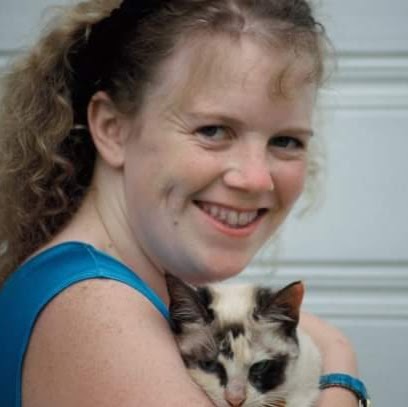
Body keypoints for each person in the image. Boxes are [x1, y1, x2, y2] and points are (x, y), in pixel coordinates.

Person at [0, 0, 368, 406]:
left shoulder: (137, 287)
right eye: (213, 130)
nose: (256, 178)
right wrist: (341, 369)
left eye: (285, 141)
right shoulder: (96, 315)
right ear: (112, 129)